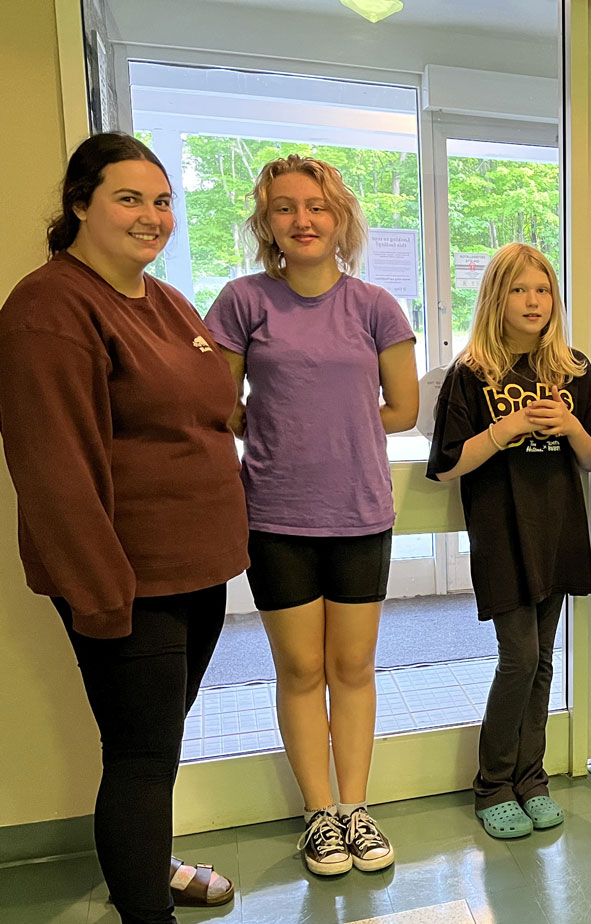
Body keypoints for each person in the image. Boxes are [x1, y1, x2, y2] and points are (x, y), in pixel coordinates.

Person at [0, 133, 269, 924]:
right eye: (129, 198)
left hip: (193, 571)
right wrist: (102, 596)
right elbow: (53, 470)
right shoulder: (50, 310)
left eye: (162, 201)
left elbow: (211, 413)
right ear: (80, 203)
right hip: (131, 582)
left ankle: (149, 866)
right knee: (142, 754)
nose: (153, 216)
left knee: (162, 742)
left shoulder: (163, 301)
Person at [205, 155, 418, 875]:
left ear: (341, 219)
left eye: (317, 207)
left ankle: (356, 808)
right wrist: (274, 430)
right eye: (286, 208)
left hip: (360, 512)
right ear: (266, 222)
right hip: (274, 514)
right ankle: (319, 815)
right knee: (299, 668)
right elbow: (217, 402)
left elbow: (405, 408)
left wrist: (341, 427)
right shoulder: (242, 301)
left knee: (352, 666)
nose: (303, 220)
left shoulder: (376, 306)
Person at [427, 243, 591, 839]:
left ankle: (533, 777)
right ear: (495, 298)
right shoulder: (472, 374)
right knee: (520, 656)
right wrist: (505, 428)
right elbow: (450, 464)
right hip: (503, 534)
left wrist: (572, 425)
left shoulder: (573, 371)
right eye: (520, 289)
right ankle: (492, 784)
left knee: (544, 660)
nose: (534, 301)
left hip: (558, 532)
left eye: (544, 289)